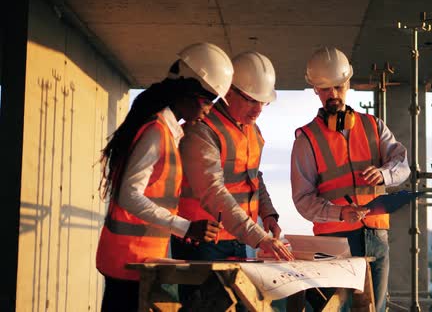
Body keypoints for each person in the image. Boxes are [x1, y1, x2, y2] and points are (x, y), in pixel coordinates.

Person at [95, 42, 234, 312]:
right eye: (208, 102)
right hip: (128, 258)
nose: (209, 110)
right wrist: (185, 227)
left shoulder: (168, 132)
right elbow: (129, 195)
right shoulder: (156, 132)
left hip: (140, 258)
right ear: (188, 93)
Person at [290, 47, 410, 312]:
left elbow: (403, 166)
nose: (332, 95)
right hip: (334, 242)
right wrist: (339, 213)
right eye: (324, 89)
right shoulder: (306, 139)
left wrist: (383, 174)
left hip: (376, 236)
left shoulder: (374, 126)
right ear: (315, 91)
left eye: (337, 87)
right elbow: (302, 200)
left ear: (347, 84)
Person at [172, 50, 294, 309]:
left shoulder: (252, 131)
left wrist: (268, 214)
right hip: (202, 243)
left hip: (238, 240)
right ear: (228, 92)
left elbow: (254, 176)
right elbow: (212, 191)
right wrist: (259, 238)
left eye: (264, 102)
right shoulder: (201, 130)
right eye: (252, 100)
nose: (259, 109)